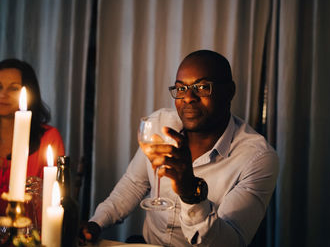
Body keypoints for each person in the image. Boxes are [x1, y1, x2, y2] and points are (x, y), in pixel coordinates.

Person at [80, 50, 279, 246]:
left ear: (229, 92)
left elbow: (230, 241)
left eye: (202, 87)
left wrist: (191, 193)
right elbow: (134, 184)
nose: (188, 97)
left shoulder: (258, 157)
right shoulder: (159, 125)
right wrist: (97, 223)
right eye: (181, 88)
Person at [0, 58, 65, 227]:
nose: (3, 94)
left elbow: (56, 198)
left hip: (30, 234)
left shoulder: (48, 138)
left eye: (13, 88)